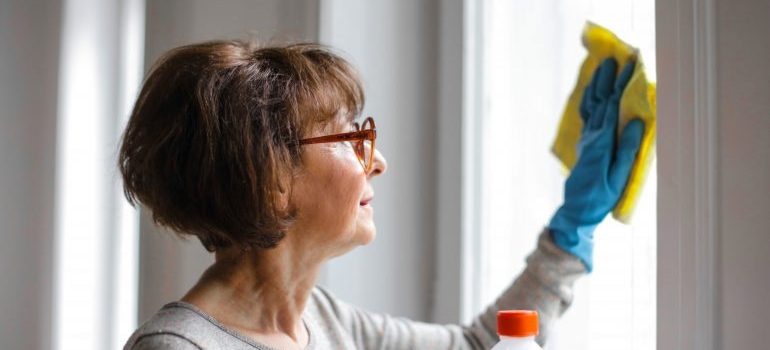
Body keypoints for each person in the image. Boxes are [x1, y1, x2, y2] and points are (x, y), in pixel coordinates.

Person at [120, 40, 643, 350]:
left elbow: (479, 347)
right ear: (272, 177)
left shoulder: (323, 322)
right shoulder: (179, 348)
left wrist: (573, 228)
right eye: (352, 139)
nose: (379, 161)